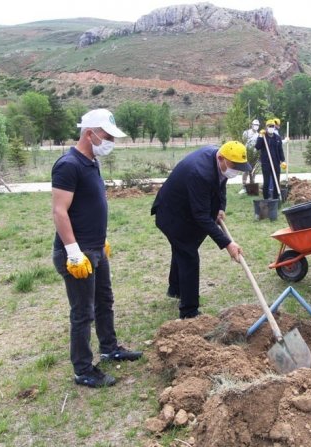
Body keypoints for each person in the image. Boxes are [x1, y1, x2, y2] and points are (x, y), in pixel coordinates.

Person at [51, 108, 142, 388]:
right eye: (107, 136)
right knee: (83, 313)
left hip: (96, 248)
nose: (110, 142)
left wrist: (101, 240)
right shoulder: (68, 165)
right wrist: (73, 252)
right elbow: (59, 211)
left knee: (105, 300)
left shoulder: (91, 162)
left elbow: (88, 206)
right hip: (78, 253)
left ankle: (109, 348)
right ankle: (83, 370)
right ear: (89, 134)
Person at [150, 141, 248, 319]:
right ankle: (189, 311)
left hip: (186, 210)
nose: (237, 171)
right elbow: (201, 216)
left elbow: (221, 184)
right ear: (221, 158)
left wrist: (221, 207)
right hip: (172, 214)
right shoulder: (200, 172)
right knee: (188, 255)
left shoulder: (220, 160)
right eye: (235, 166)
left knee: (182, 250)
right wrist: (227, 243)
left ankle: (176, 288)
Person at [255, 119, 286, 200]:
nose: (271, 127)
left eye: (272, 126)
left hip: (276, 162)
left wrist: (283, 161)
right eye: (269, 126)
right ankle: (266, 198)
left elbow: (280, 150)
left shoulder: (277, 138)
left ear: (274, 127)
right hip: (266, 163)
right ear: (266, 127)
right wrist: (260, 137)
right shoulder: (263, 137)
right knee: (266, 181)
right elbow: (257, 147)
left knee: (276, 181)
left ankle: (275, 198)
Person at [240, 119, 260, 193]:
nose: (256, 126)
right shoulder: (246, 133)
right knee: (245, 171)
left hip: (254, 155)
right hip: (247, 154)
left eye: (257, 125)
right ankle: (244, 186)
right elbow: (243, 142)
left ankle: (252, 186)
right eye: (255, 125)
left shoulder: (258, 135)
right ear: (252, 125)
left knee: (253, 171)